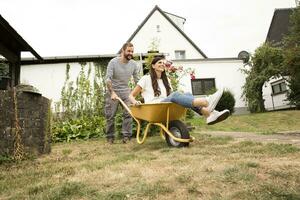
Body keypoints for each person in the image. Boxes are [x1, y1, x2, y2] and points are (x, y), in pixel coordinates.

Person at [129, 56, 230, 125]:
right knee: (175, 95)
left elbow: (172, 97)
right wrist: (135, 102)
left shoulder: (166, 80)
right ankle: (206, 102)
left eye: (164, 63)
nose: (162, 64)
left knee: (187, 94)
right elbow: (131, 96)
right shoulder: (145, 79)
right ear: (153, 66)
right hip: (154, 108)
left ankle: (208, 114)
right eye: (160, 62)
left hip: (166, 106)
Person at [105, 42, 140, 144]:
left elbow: (137, 80)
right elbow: (108, 79)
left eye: (132, 51)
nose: (130, 53)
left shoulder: (133, 64)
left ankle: (126, 136)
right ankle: (110, 137)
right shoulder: (113, 62)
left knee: (128, 114)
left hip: (126, 92)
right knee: (110, 115)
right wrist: (112, 92)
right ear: (123, 51)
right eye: (128, 51)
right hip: (113, 91)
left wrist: (139, 92)